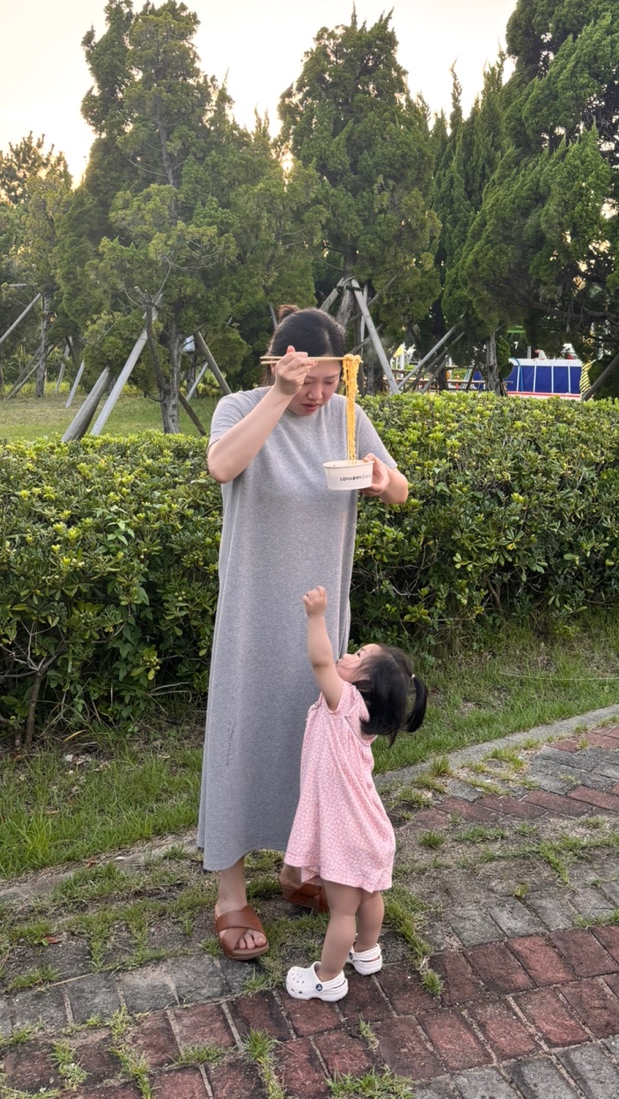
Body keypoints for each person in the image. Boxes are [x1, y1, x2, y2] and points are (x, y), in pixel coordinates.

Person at [200, 306, 409, 961]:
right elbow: (222, 466)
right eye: (306, 381)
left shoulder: (347, 417)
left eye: (328, 381)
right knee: (243, 737)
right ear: (277, 365)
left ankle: (300, 870)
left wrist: (382, 480)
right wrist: (278, 396)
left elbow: (400, 489)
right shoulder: (241, 407)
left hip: (322, 619)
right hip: (253, 614)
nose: (317, 394)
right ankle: (230, 894)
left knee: (319, 747)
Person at [283, 585, 427, 1002]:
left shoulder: (344, 703)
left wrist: (316, 616)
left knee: (342, 912)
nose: (348, 654)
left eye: (359, 655)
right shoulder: (363, 718)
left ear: (363, 682)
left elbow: (320, 661)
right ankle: (367, 952)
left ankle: (327, 979)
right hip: (371, 829)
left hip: (347, 836)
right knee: (370, 895)